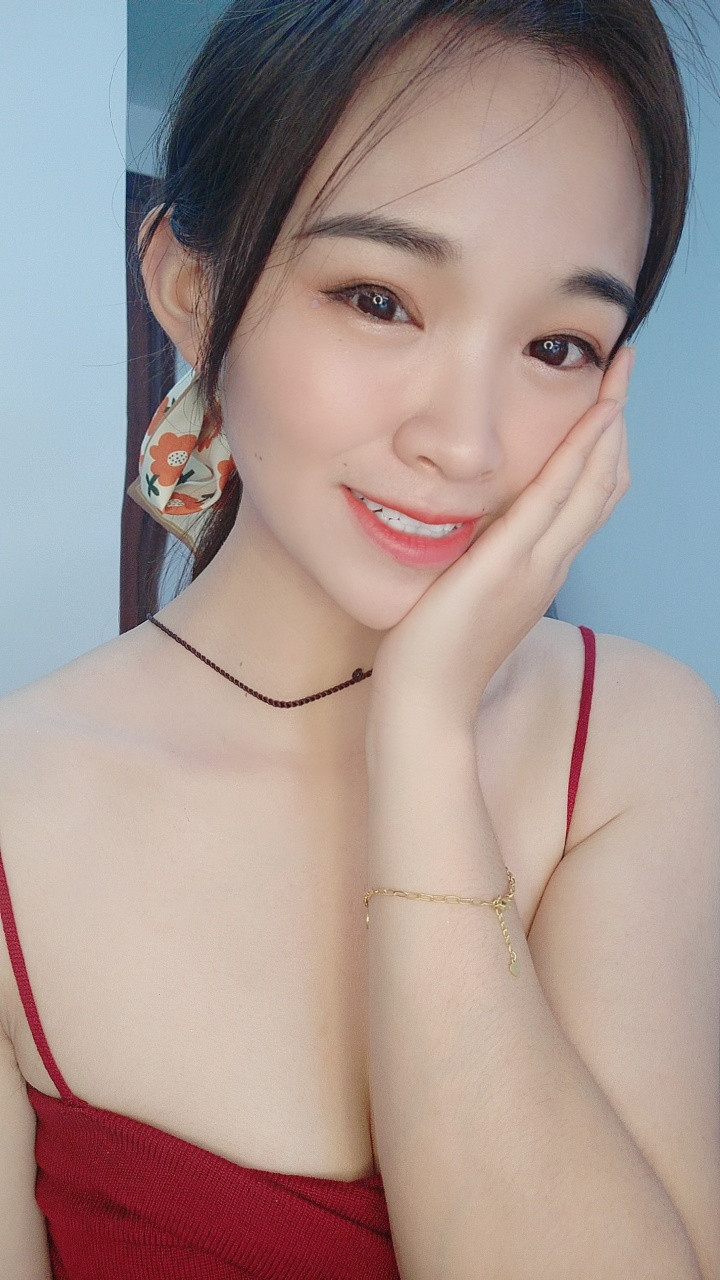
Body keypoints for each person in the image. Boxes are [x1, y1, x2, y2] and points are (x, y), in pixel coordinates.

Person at [0, 1, 718, 1277]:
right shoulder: (18, 804)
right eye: (379, 299)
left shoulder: (641, 742)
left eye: (558, 344)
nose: (466, 441)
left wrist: (425, 732)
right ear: (191, 290)